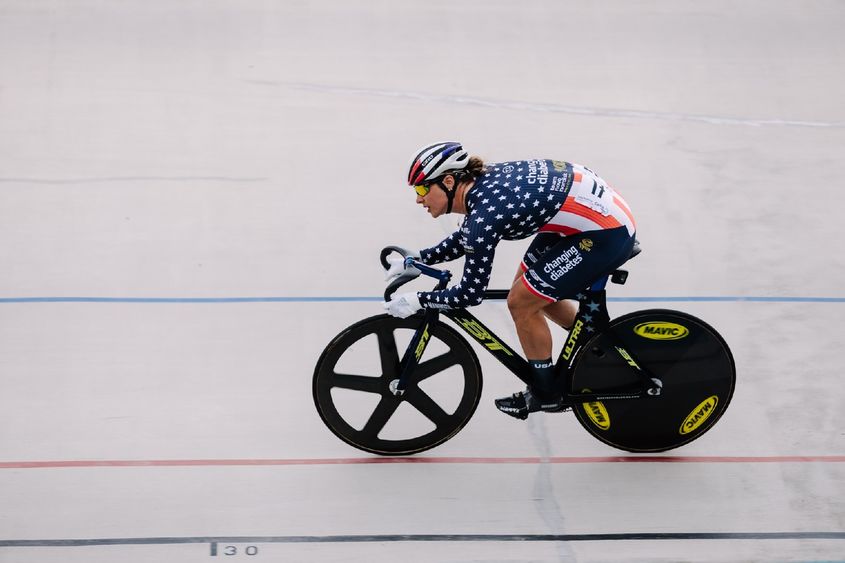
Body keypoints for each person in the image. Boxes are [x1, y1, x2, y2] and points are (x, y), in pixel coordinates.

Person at [383, 142, 637, 420]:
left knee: (521, 303)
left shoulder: (486, 213)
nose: (419, 199)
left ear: (448, 181)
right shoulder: (480, 188)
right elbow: (467, 237)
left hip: (605, 232)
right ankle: (594, 347)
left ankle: (546, 392)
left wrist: (419, 300)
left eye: (422, 189)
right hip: (586, 215)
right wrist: (420, 258)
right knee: (530, 289)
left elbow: (470, 293)